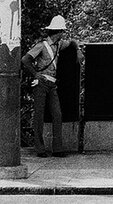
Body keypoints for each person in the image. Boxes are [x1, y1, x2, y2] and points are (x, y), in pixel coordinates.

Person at [21, 15, 84, 158]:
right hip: (42, 82)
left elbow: (73, 42)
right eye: (62, 31)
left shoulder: (59, 45)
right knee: (39, 116)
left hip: (52, 83)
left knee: (57, 115)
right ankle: (40, 149)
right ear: (58, 31)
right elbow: (25, 59)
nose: (63, 33)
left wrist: (78, 50)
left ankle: (57, 148)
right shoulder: (41, 45)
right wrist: (35, 74)